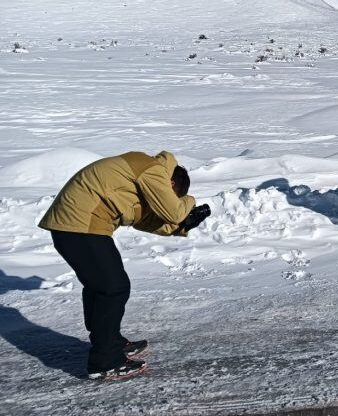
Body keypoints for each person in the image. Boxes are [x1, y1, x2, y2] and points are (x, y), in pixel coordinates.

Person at [38, 150, 210, 380]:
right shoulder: (151, 168)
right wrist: (188, 203)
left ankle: (109, 342)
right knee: (113, 287)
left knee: (101, 287)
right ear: (169, 184)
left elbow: (145, 218)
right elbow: (172, 211)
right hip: (78, 224)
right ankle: (105, 361)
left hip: (77, 225)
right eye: (174, 195)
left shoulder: (138, 182)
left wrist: (182, 226)